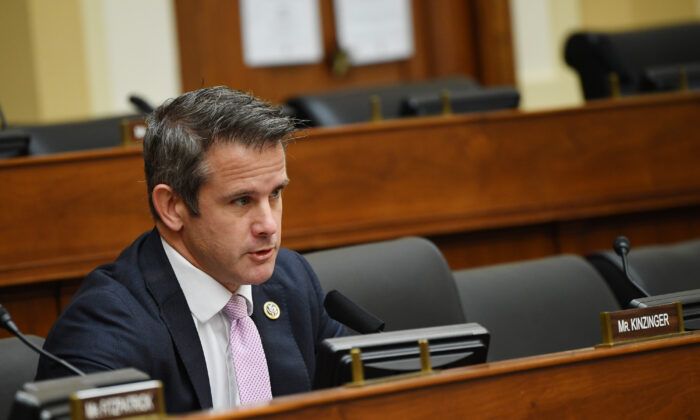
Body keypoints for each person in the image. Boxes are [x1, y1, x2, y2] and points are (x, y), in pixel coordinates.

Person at [35, 86, 345, 413]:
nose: (268, 225)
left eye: (275, 194)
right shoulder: (106, 330)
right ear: (172, 207)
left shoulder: (292, 280)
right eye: (242, 200)